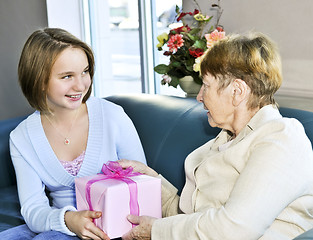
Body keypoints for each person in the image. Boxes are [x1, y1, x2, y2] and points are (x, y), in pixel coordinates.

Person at [118, 32, 313, 240]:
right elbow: (191, 220)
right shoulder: (225, 139)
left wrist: (155, 231)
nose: (200, 96)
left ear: (237, 91)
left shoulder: (281, 139)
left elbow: (233, 229)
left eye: (206, 85)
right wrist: (150, 179)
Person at [0, 28, 146, 240]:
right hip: (61, 226)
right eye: (67, 76)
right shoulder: (22, 138)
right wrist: (69, 220)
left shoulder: (113, 116)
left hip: (116, 227)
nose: (80, 85)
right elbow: (33, 210)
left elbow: (143, 182)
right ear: (39, 80)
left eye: (85, 72)